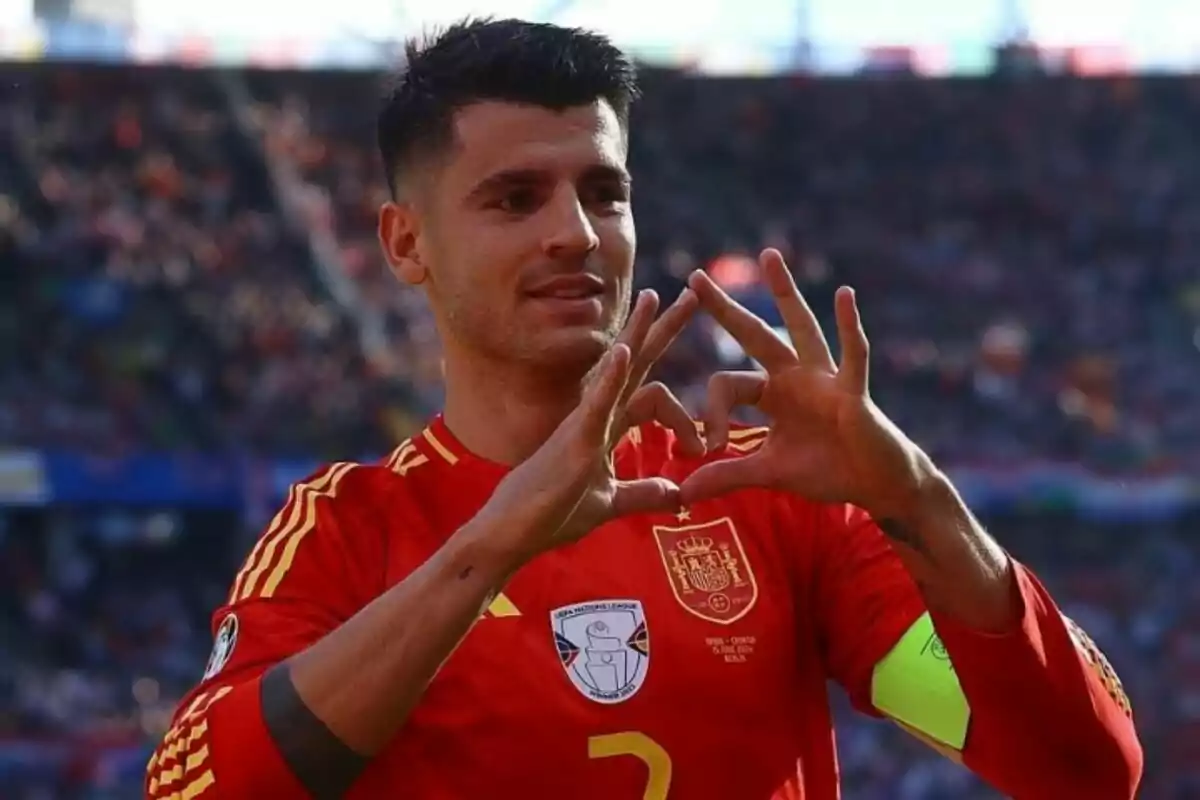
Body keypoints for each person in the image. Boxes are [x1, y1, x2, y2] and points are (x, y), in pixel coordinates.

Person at [144, 18, 1141, 800]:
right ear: (406, 244)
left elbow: (1085, 769)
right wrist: (489, 547)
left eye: (603, 191)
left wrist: (922, 499)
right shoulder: (346, 527)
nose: (575, 232)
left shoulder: (771, 496)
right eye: (514, 197)